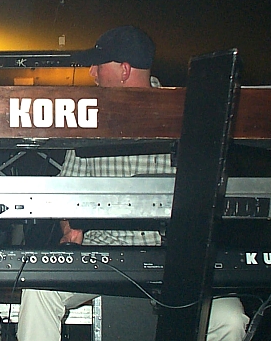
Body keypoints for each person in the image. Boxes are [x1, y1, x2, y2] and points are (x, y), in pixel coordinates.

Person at [16, 26, 249, 341]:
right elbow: (67, 191)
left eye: (99, 64)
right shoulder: (89, 116)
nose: (91, 72)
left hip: (176, 258)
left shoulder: (189, 112)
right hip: (105, 254)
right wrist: (70, 227)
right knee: (39, 291)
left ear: (124, 70)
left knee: (230, 319)